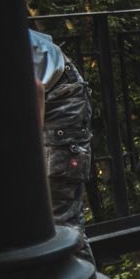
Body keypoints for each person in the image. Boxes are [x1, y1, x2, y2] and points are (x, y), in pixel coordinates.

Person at [30, 29, 94, 262]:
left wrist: (30, 156)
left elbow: (32, 87)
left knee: (59, 218)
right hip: (46, 90)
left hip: (58, 98)